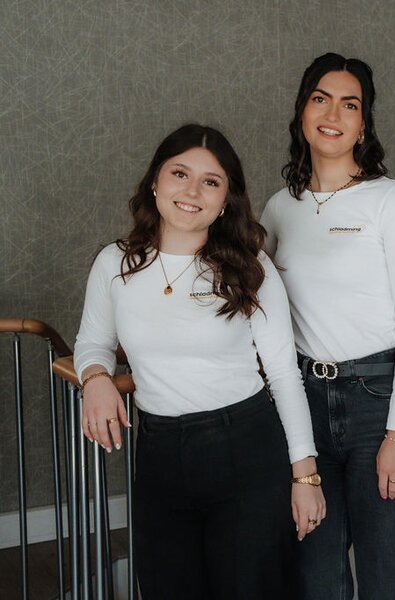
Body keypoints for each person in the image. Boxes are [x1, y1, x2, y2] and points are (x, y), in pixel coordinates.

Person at [73, 124, 323, 599]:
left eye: (211, 181)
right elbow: (92, 342)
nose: (192, 191)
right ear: (155, 181)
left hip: (246, 450)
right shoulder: (116, 263)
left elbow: (285, 374)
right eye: (180, 173)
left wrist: (305, 475)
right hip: (161, 456)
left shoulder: (251, 266)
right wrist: (97, 378)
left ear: (226, 198)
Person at [260, 52, 395, 600]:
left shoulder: (389, 199)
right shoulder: (279, 208)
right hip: (304, 403)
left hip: (378, 403)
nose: (333, 113)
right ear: (302, 111)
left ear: (363, 123)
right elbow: (245, 298)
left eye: (349, 104)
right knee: (316, 578)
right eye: (321, 98)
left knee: (386, 578)